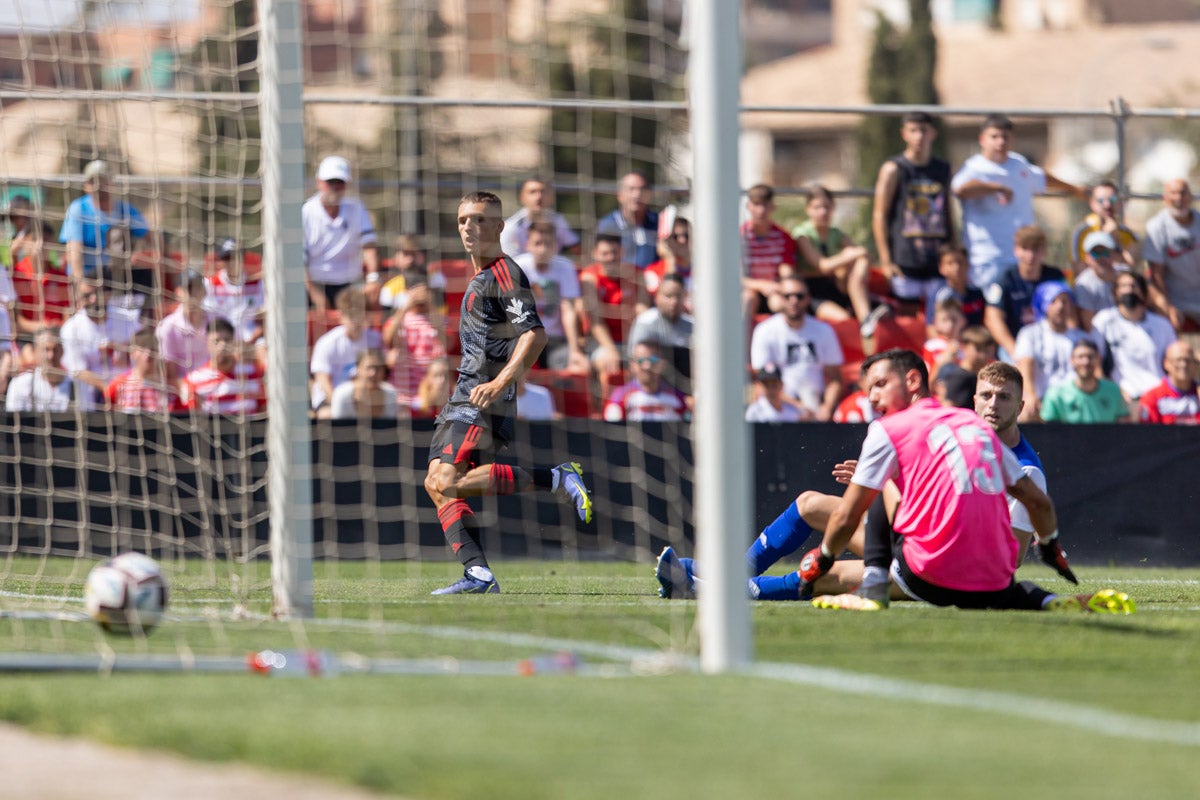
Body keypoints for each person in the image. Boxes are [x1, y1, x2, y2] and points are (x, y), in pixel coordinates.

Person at [657, 355, 1129, 614]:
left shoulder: (1020, 465)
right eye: (985, 395)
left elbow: (1012, 548)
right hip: (923, 538)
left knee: (825, 573)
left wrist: (884, 485)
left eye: (1003, 398)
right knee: (809, 503)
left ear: (1022, 405)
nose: (991, 405)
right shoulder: (967, 434)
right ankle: (723, 576)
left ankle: (716, 588)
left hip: (945, 558)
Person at [797, 349, 1130, 613]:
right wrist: (1051, 550)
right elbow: (1039, 505)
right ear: (971, 401)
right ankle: (1045, 600)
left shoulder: (893, 429)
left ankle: (871, 586)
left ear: (916, 383)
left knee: (824, 558)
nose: (871, 397)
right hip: (991, 581)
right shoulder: (980, 435)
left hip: (927, 569)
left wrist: (823, 557)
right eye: (985, 396)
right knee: (813, 503)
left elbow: (851, 516)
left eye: (880, 385)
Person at [424, 191, 593, 596]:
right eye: (464, 219)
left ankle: (555, 477)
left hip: (483, 400)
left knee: (445, 479)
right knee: (437, 482)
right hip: (463, 397)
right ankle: (478, 573)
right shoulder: (480, 277)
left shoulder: (504, 273)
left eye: (481, 219)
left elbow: (534, 333)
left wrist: (502, 382)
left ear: (500, 227)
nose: (470, 227)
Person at [952, 114, 1085, 289]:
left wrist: (1074, 189)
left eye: (1005, 137)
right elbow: (961, 189)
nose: (1000, 142)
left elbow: (1042, 178)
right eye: (994, 137)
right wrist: (995, 187)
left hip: (1022, 258)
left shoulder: (1018, 164)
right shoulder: (974, 167)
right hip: (987, 259)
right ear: (982, 139)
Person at [872, 111, 954, 311]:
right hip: (905, 257)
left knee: (941, 316)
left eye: (923, 130)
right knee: (907, 318)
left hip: (937, 257)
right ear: (904, 134)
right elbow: (879, 214)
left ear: (933, 133)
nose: (919, 136)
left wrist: (953, 248)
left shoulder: (942, 169)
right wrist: (885, 259)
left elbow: (948, 212)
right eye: (913, 130)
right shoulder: (894, 168)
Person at [749, 276, 843, 421]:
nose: (794, 301)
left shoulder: (824, 330)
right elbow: (761, 382)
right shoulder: (765, 331)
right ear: (779, 298)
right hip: (778, 410)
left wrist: (827, 407)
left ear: (808, 299)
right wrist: (799, 407)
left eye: (799, 296)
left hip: (816, 408)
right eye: (787, 296)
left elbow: (835, 378)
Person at [792, 185, 877, 333]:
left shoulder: (835, 233)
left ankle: (865, 317)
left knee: (861, 261)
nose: (823, 212)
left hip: (835, 286)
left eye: (826, 207)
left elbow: (864, 254)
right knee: (843, 319)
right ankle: (864, 319)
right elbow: (822, 265)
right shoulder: (803, 234)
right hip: (812, 290)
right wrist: (847, 256)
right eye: (817, 207)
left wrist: (851, 260)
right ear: (808, 209)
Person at [301, 155, 380, 311]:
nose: (335, 188)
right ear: (319, 183)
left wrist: (373, 279)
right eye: (330, 182)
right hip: (314, 284)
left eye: (340, 183)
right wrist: (315, 294)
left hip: (350, 285)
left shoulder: (356, 208)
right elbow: (299, 261)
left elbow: (369, 246)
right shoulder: (306, 212)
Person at [1091, 271, 1177, 407]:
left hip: (1158, 398)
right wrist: (1112, 394)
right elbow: (1095, 364)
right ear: (1115, 292)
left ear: (1143, 292)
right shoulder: (1104, 321)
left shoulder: (1162, 325)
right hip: (1122, 398)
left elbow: (1175, 362)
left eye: (1134, 286)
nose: (1129, 290)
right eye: (1123, 286)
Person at [59, 159, 150, 287]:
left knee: (146, 277)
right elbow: (74, 251)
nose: (98, 186)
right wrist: (81, 284)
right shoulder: (78, 209)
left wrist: (145, 256)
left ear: (111, 183)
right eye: (93, 182)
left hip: (118, 274)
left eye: (103, 181)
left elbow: (152, 237)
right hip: (89, 275)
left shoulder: (125, 210)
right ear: (86, 186)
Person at [983, 224, 1068, 360]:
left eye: (1036, 249)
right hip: (1015, 345)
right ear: (1015, 250)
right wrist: (1014, 350)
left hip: (1052, 342)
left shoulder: (1055, 277)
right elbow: (992, 318)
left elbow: (1070, 312)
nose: (1030, 255)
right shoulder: (1005, 280)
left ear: (1044, 251)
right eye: (1025, 249)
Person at [1013, 281, 1093, 421]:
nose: (1060, 306)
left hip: (1075, 401)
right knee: (1025, 415)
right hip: (1042, 400)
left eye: (1065, 301)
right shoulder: (1029, 333)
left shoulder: (1081, 337)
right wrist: (1030, 394)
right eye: (1053, 301)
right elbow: (1025, 364)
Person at [514, 221, 587, 372]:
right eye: (538, 243)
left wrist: (574, 351)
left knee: (577, 368)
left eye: (547, 244)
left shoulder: (565, 267)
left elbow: (569, 309)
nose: (542, 249)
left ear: (555, 246)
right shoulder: (517, 266)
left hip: (556, 340)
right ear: (528, 245)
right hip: (524, 338)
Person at [61, 280, 138, 407]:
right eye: (86, 296)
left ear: (108, 294)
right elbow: (78, 371)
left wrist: (122, 349)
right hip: (93, 394)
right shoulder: (71, 328)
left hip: (128, 387)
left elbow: (141, 355)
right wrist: (110, 389)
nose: (93, 299)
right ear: (78, 297)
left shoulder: (127, 319)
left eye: (98, 293)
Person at [309, 284, 383, 416]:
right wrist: (339, 403)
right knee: (327, 415)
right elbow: (323, 381)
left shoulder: (375, 339)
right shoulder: (327, 343)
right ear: (341, 316)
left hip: (365, 397)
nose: (355, 321)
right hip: (331, 398)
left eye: (359, 315)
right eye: (351, 316)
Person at [579, 233, 640, 383]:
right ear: (595, 254)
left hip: (632, 341)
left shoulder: (636, 274)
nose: (611, 258)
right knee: (607, 363)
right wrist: (611, 350)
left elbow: (642, 312)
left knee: (648, 362)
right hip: (601, 342)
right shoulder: (589, 277)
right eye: (605, 253)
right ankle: (608, 405)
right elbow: (596, 322)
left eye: (615, 252)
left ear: (622, 252)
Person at [1143, 178, 1200, 333]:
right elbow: (1156, 276)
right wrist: (1168, 307)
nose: (1178, 198)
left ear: (1190, 196)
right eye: (1173, 193)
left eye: (1182, 193)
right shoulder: (1156, 227)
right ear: (1164, 198)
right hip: (1175, 300)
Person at [180, 317, 267, 416]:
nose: (222, 346)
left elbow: (264, 410)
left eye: (227, 340)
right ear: (207, 344)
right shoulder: (193, 381)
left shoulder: (253, 373)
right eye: (216, 341)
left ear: (233, 343)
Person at [382, 276, 445, 407]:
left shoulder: (441, 320)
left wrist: (431, 307)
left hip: (433, 391)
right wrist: (406, 305)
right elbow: (388, 340)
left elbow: (448, 344)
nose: (419, 298)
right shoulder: (397, 320)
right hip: (402, 393)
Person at [627, 273, 693, 395]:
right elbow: (637, 362)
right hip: (651, 391)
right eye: (668, 296)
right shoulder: (646, 323)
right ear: (657, 297)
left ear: (685, 297)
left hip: (687, 392)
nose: (674, 301)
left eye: (678, 296)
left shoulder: (692, 326)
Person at [1041, 339, 1129, 424]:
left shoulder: (1113, 390)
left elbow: (1121, 425)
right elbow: (1049, 430)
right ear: (1072, 360)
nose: (1086, 362)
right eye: (1080, 357)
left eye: (1090, 357)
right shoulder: (1056, 394)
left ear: (1099, 359)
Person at [5, 326, 93, 412]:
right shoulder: (20, 384)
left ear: (62, 351)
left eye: (55, 350)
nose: (51, 356)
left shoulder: (78, 386)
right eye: (45, 350)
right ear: (36, 352)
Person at [739, 183, 795, 319]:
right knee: (748, 299)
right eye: (757, 204)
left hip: (775, 290)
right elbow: (735, 276)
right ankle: (741, 340)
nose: (761, 210)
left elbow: (786, 270)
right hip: (749, 290)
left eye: (765, 205)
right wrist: (761, 285)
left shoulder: (783, 237)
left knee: (781, 303)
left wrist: (784, 286)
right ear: (749, 207)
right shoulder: (739, 236)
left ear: (772, 207)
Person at [603, 339, 690, 422]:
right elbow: (611, 421)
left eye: (653, 360)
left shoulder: (678, 398)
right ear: (632, 365)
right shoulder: (621, 397)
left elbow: (689, 419)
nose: (647, 366)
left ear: (662, 363)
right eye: (641, 360)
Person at [203, 238, 265, 350]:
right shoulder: (210, 284)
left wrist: (251, 340)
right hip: (221, 341)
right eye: (226, 258)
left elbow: (265, 318)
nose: (231, 262)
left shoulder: (257, 284)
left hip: (251, 340)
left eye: (235, 257)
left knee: (264, 348)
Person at [156, 269, 210, 393]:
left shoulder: (217, 321)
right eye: (188, 289)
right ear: (178, 293)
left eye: (197, 288)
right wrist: (190, 389)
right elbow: (170, 374)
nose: (193, 294)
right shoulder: (167, 327)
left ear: (204, 291)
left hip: (215, 388)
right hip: (184, 393)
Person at [499, 177, 579, 257]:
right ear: (522, 197)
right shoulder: (511, 227)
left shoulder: (558, 220)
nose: (539, 197)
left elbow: (576, 248)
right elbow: (510, 264)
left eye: (543, 191)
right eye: (532, 192)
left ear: (552, 197)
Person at [103, 327, 177, 413]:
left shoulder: (169, 390)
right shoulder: (118, 385)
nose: (148, 354)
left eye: (153, 349)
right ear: (132, 353)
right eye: (142, 349)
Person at [1068, 181, 1139, 268]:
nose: (1107, 205)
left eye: (1112, 199)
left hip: (1116, 280)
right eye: (1100, 200)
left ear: (1120, 203)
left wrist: (1116, 239)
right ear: (1092, 204)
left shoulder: (1127, 234)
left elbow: (1130, 267)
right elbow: (1079, 271)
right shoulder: (1082, 232)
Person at [596, 171, 659, 269]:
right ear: (619, 195)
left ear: (650, 194)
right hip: (620, 281)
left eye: (642, 189)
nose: (637, 195)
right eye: (631, 189)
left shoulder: (659, 223)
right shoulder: (607, 225)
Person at [1072, 230, 1124, 332]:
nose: (1101, 257)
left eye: (1105, 252)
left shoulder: (1126, 275)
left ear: (1113, 254)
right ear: (1087, 258)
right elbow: (1090, 327)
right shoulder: (1083, 285)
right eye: (1095, 253)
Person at [1138, 339, 1200, 424]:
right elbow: (1147, 432)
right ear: (1166, 363)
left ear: (1194, 363)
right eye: (1178, 360)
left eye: (1188, 360)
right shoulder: (1152, 397)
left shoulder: (1198, 394)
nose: (1183, 365)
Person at [927, 243, 986, 330]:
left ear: (967, 265)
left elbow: (986, 322)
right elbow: (931, 327)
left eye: (960, 262)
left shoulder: (978, 293)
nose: (956, 267)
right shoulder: (939, 296)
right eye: (950, 263)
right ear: (941, 268)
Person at [330, 347, 397, 420]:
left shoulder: (391, 394)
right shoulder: (342, 394)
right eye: (368, 368)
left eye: (378, 368)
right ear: (358, 369)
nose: (373, 373)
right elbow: (338, 428)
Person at [643, 216, 692, 306]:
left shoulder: (704, 271)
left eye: (686, 235)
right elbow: (666, 301)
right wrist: (670, 260)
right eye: (675, 237)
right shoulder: (652, 272)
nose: (682, 240)